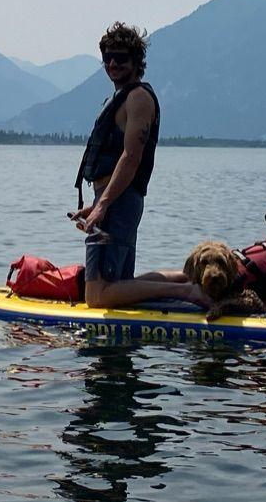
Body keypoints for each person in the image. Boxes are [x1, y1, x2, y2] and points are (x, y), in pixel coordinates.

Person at [68, 21, 204, 310]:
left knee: (97, 296)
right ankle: (195, 280)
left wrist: (104, 205)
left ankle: (189, 292)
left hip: (119, 202)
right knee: (117, 285)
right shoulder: (121, 98)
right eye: (107, 58)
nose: (112, 64)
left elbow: (131, 157)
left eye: (120, 57)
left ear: (136, 61)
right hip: (114, 200)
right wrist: (98, 204)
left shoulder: (138, 98)